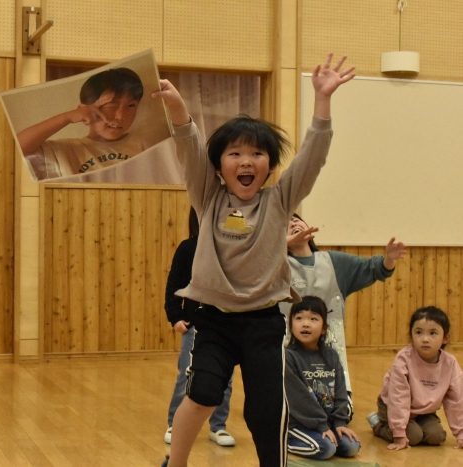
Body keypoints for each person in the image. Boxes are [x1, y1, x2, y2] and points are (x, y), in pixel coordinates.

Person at [152, 52, 355, 467]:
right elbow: (188, 146)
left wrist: (323, 100)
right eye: (235, 154)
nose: (246, 161)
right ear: (219, 166)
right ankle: (176, 463)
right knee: (203, 393)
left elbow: (313, 156)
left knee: (266, 409)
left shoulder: (279, 200)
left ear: (270, 165)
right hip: (214, 321)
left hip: (264, 322)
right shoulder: (207, 196)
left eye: (257, 154)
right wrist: (178, 109)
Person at [281, 213, 406, 412]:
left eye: (297, 219)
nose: (293, 222)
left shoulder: (334, 262)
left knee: (337, 412)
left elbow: (374, 268)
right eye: (286, 223)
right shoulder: (275, 266)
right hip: (289, 349)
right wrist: (280, 244)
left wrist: (389, 259)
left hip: (329, 348)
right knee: (293, 411)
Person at [164, 208, 235, 447]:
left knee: (225, 379)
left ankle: (218, 426)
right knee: (187, 375)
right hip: (197, 323)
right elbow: (174, 284)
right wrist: (175, 316)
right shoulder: (188, 248)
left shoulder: (233, 248)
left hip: (227, 325)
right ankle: (175, 423)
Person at [17, 67, 148, 179]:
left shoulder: (142, 145)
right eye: (111, 105)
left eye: (131, 106)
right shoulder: (67, 150)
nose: (120, 116)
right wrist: (67, 117)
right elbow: (16, 148)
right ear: (83, 110)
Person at [367, 306, 463, 450]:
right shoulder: (403, 359)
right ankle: (378, 424)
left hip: (423, 411)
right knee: (413, 436)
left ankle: (415, 426)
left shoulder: (450, 363)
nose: (425, 339)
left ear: (445, 338)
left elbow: (457, 400)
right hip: (392, 405)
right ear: (411, 335)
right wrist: (399, 433)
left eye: (433, 333)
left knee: (437, 436)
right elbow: (398, 398)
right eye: (419, 332)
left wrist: (461, 433)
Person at [285, 296, 361, 460]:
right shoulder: (288, 357)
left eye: (313, 319)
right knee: (326, 449)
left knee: (352, 446)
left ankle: (325, 434)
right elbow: (298, 399)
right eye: (299, 318)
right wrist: (321, 425)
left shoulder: (331, 355)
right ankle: (286, 440)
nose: (305, 324)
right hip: (299, 424)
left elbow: (341, 391)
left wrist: (340, 423)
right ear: (291, 326)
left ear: (324, 328)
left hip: (326, 423)